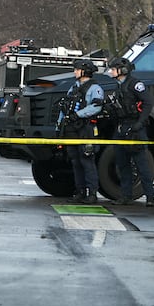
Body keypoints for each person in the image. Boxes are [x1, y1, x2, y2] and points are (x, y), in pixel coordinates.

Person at [106, 57, 154, 206]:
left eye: (113, 69)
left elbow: (148, 103)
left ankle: (150, 198)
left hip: (135, 129)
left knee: (142, 166)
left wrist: (139, 123)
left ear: (123, 70)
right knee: (122, 164)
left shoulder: (135, 84)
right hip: (121, 128)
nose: (111, 72)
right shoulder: (118, 86)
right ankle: (126, 196)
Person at [58, 59, 105, 204]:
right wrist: (59, 125)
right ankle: (79, 192)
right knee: (75, 162)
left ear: (85, 71)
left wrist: (78, 115)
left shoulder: (95, 88)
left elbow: (96, 107)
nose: (74, 72)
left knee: (87, 161)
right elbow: (65, 107)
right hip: (71, 129)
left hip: (86, 129)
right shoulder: (73, 88)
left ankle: (92, 193)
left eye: (77, 69)